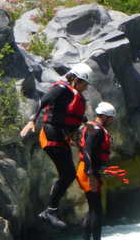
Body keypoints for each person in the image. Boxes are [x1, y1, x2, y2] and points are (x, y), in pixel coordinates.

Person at [20, 63, 94, 229]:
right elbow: (40, 103)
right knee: (68, 174)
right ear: (75, 79)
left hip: (62, 137)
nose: (85, 88)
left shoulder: (75, 95)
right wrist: (32, 120)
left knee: (68, 174)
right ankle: (49, 211)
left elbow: (72, 114)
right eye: (84, 84)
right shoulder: (61, 89)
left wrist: (86, 124)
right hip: (51, 134)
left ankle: (50, 211)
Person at [76, 102, 119, 240]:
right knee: (97, 210)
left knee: (93, 209)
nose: (113, 122)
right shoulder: (96, 131)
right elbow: (87, 152)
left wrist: (99, 170)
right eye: (111, 118)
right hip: (88, 173)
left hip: (88, 171)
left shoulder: (95, 129)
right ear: (104, 117)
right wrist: (92, 175)